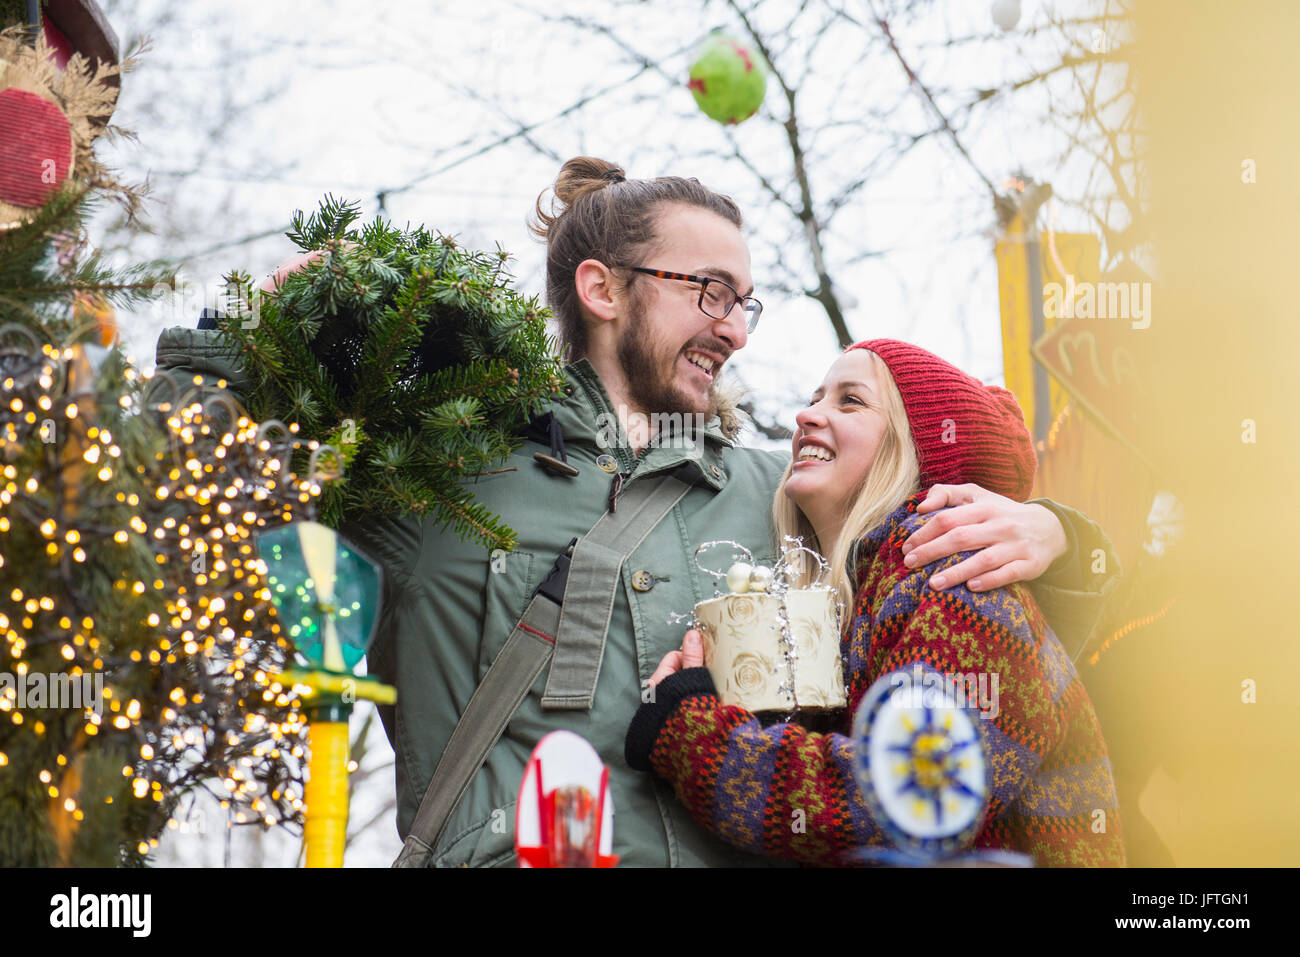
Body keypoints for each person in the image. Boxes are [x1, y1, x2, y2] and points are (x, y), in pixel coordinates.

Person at [154, 156, 1119, 867]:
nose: (735, 327)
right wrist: (249, 344)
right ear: (603, 288)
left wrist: (1061, 534)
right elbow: (173, 501)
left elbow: (975, 634)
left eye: (747, 301)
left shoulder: (782, 496)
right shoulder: (432, 480)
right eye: (709, 291)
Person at [625, 339, 1125, 866]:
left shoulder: (955, 580)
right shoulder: (857, 596)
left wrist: (693, 734)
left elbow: (912, 801)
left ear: (916, 450)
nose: (806, 414)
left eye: (850, 401)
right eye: (816, 397)